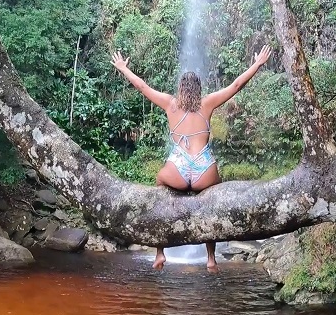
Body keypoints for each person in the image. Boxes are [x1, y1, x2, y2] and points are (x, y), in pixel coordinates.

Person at [110, 45, 273, 272]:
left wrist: (122, 68)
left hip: (178, 165)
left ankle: (159, 253)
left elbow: (141, 86)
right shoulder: (207, 103)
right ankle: (211, 259)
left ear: (180, 88)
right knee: (211, 202)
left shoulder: (169, 103)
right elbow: (236, 85)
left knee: (160, 191)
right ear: (198, 89)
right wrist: (257, 64)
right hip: (203, 165)